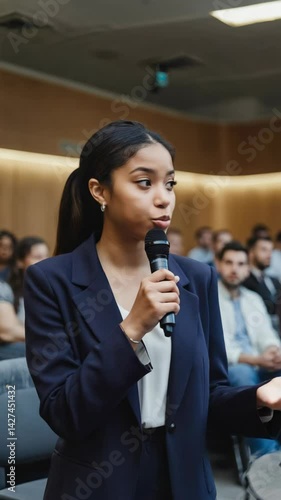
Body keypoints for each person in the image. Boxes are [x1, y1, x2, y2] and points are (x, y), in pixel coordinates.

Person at [24, 120, 281, 500]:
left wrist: (260, 399)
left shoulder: (197, 277)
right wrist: (131, 330)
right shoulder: (52, 281)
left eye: (170, 183)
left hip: (185, 480)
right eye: (145, 182)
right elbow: (65, 413)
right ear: (100, 190)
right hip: (97, 485)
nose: (164, 198)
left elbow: (209, 393)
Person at [216, 241, 281, 457]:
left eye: (241, 264)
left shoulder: (252, 298)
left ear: (247, 267)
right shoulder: (209, 296)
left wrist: (273, 350)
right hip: (232, 366)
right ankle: (266, 460)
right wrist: (257, 361)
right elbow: (218, 347)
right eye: (229, 262)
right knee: (245, 376)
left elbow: (266, 333)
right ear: (218, 264)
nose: (235, 269)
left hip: (259, 361)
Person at [0, 236, 49, 360]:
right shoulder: (5, 288)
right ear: (20, 262)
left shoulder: (50, 290)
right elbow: (8, 332)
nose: (45, 262)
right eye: (38, 257)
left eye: (47, 257)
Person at [243, 236, 281, 335]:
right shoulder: (244, 281)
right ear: (251, 253)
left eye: (271, 250)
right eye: (264, 250)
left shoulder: (274, 280)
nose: (269, 255)